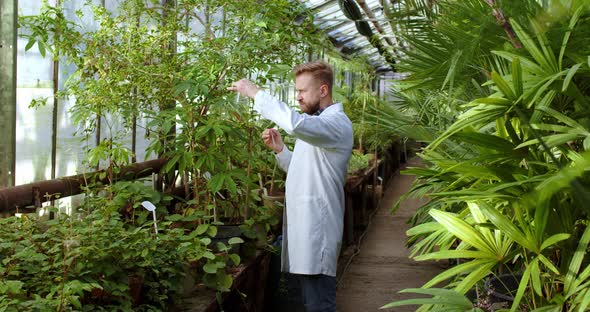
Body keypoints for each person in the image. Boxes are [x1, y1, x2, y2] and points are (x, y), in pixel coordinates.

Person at [228, 61, 353, 312]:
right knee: (311, 302)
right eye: (296, 91)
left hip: (318, 230)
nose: (297, 97)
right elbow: (303, 168)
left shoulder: (334, 124)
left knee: (319, 305)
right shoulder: (318, 124)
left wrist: (255, 93)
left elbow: (295, 124)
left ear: (323, 90)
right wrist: (281, 150)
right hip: (306, 228)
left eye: (302, 91)